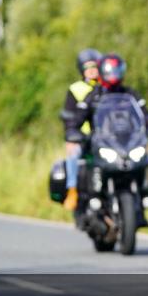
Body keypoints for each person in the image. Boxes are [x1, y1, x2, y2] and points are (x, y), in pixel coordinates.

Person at [61, 48, 100, 211]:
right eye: (87, 67)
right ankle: (72, 190)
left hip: (104, 135)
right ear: (82, 70)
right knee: (73, 153)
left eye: (94, 66)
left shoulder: (108, 87)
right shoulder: (75, 88)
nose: (91, 70)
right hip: (82, 136)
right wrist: (71, 136)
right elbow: (68, 116)